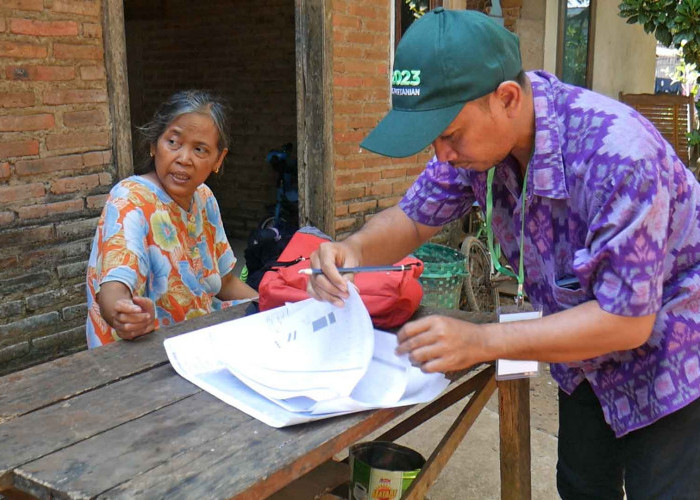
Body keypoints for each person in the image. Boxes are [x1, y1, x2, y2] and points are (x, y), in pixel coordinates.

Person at [308, 8, 700, 499]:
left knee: (663, 490)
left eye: (448, 135)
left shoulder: (619, 156)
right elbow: (411, 219)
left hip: (671, 353)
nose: (441, 155)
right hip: (582, 355)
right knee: (581, 486)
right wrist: (353, 248)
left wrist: (481, 341)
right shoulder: (476, 145)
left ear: (507, 99)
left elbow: (626, 322)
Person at [86, 90, 257, 348]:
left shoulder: (204, 198)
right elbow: (114, 287)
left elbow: (223, 281)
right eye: (173, 143)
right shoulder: (131, 200)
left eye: (199, 149)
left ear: (218, 160)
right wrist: (125, 314)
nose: (183, 159)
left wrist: (272, 304)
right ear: (154, 145)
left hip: (194, 337)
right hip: (138, 351)